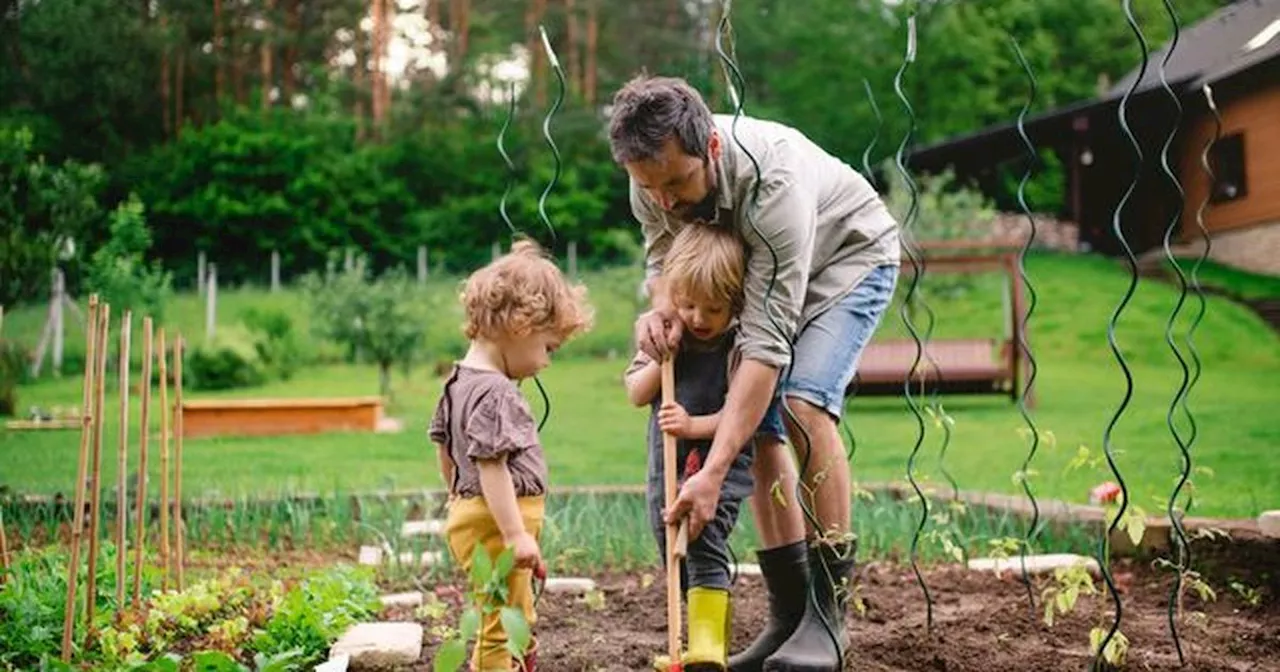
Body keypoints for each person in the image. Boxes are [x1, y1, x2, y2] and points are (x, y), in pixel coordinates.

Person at [608, 75, 901, 672]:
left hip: (847, 260)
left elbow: (767, 346)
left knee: (800, 405)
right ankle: (788, 618)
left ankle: (828, 614)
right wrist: (660, 309)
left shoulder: (774, 185)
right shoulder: (653, 181)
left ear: (710, 149)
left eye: (676, 182)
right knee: (763, 428)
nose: (663, 199)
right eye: (648, 187)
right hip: (754, 279)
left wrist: (713, 471)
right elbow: (664, 257)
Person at [430, 239, 594, 671]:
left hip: (472, 514)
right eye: (549, 347)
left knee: (502, 611)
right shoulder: (498, 392)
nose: (546, 363)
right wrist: (516, 533)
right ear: (522, 326)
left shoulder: (458, 381)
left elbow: (443, 447)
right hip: (499, 522)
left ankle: (519, 662)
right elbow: (492, 465)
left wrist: (454, 495)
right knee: (503, 621)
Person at [623, 224, 778, 670]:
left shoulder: (739, 347)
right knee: (669, 541)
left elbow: (742, 414)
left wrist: (693, 423)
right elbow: (636, 393)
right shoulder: (667, 336)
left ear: (736, 302)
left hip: (717, 469)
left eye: (713, 308)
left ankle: (709, 645)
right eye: (688, 304)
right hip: (666, 468)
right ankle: (682, 641)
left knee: (704, 538)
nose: (698, 318)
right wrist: (661, 360)